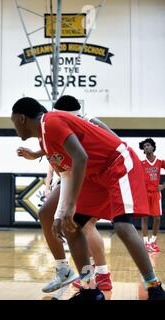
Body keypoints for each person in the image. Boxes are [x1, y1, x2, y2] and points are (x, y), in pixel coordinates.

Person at [11, 97, 165, 300]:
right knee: (71, 225)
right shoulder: (44, 138)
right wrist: (61, 213)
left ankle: (154, 287)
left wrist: (71, 205)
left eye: (12, 122)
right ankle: (90, 290)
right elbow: (67, 174)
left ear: (21, 118)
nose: (13, 127)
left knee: (122, 226)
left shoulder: (51, 121)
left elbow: (81, 157)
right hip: (95, 175)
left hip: (116, 165)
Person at [16, 95, 112, 292]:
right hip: (72, 173)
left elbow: (114, 143)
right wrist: (36, 154)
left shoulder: (88, 122)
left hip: (92, 175)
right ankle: (67, 270)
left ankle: (101, 274)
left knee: (83, 225)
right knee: (47, 214)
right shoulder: (49, 127)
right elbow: (57, 144)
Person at [139, 138, 165, 252]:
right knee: (144, 218)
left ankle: (153, 242)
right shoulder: (141, 163)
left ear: (153, 147)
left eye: (148, 145)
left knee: (157, 218)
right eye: (144, 146)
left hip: (156, 193)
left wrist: (164, 185)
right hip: (145, 194)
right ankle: (145, 243)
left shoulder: (160, 162)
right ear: (143, 150)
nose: (146, 147)